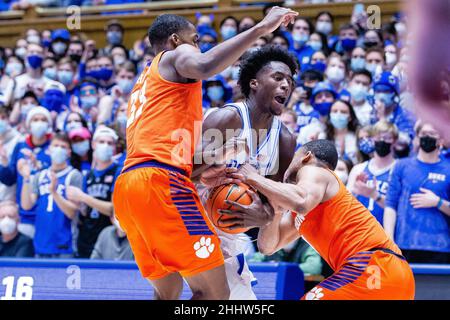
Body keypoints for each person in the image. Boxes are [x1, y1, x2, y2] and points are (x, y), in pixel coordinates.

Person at [112, 8, 299, 300]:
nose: (198, 48)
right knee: (214, 294)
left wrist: (209, 165)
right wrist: (261, 28)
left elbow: (178, 151)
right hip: (162, 182)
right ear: (175, 40)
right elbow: (203, 65)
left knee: (168, 292)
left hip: (130, 186)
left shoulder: (147, 81)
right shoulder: (173, 58)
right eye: (195, 40)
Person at [225, 139, 415, 300]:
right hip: (388, 273)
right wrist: (274, 210)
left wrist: (252, 177)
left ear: (306, 157)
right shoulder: (302, 207)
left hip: (374, 265)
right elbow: (268, 247)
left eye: (291, 158)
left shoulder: (316, 171)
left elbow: (301, 201)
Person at [193, 45, 298, 300]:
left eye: (290, 81)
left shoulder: (284, 140)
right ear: (254, 83)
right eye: (277, 77)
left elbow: (272, 203)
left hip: (227, 228)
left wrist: (262, 217)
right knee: (216, 294)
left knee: (235, 298)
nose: (286, 85)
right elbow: (182, 170)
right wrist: (219, 156)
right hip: (189, 213)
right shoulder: (227, 119)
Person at [384, 122, 450, 263]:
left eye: (432, 134)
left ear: (441, 139)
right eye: (424, 134)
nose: (427, 138)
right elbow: (390, 205)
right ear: (417, 138)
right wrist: (389, 240)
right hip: (405, 243)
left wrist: (438, 202)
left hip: (441, 246)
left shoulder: (448, 169)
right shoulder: (401, 166)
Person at [19, 133, 82, 258]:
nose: (59, 149)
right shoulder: (40, 176)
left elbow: (72, 212)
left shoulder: (74, 175)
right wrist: (26, 178)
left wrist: (54, 192)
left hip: (64, 245)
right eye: (56, 145)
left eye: (63, 147)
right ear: (49, 150)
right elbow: (26, 205)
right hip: (41, 244)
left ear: (69, 152)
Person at [66, 126, 121, 258]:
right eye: (101, 142)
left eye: (109, 143)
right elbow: (84, 211)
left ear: (114, 147)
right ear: (93, 144)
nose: (105, 146)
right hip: (86, 235)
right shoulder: (88, 175)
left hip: (108, 234)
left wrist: (83, 197)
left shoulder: (118, 171)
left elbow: (113, 209)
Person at [0, 106, 53, 238]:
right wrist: (5, 163)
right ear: (29, 124)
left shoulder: (54, 146)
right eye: (35, 119)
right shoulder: (21, 146)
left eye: (43, 120)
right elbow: (10, 179)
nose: (39, 123)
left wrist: (37, 167)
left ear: (48, 124)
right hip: (24, 214)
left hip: (47, 212)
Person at [348, 120, 398, 225]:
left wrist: (375, 195)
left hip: (387, 232)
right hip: (361, 231)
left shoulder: (399, 169)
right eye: (378, 137)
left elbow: (401, 210)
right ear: (372, 140)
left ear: (394, 141)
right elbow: (346, 205)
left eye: (387, 138)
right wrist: (356, 192)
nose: (382, 141)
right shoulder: (359, 169)